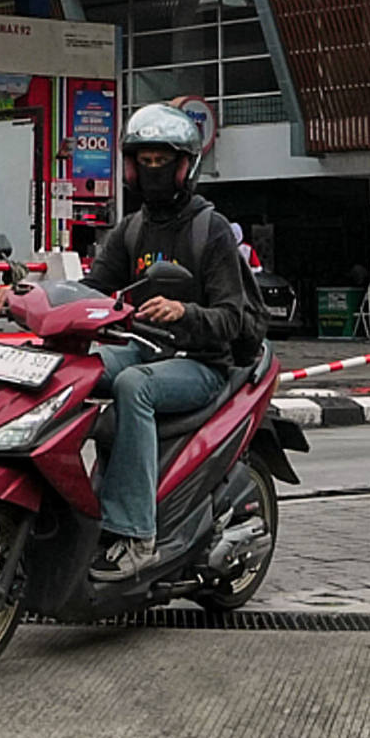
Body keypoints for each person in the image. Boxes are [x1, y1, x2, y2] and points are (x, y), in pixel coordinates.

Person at [77, 102, 263, 581]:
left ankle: (137, 533)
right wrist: (26, 295)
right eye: (145, 160)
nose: (153, 170)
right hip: (145, 350)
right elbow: (91, 292)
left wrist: (185, 311)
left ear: (186, 165)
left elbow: (234, 317)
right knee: (82, 372)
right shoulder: (132, 229)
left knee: (134, 386)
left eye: (163, 160)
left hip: (202, 364)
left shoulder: (211, 229)